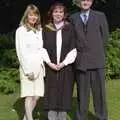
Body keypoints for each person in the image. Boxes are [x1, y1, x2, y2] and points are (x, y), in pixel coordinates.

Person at [70, 0, 109, 120]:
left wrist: (96, 52)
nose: (85, 2)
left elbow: (105, 37)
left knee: (100, 93)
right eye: (82, 0)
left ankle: (102, 117)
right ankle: (81, 117)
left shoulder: (100, 16)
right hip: (81, 62)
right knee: (82, 93)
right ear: (78, 2)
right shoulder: (73, 18)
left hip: (97, 61)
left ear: (91, 2)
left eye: (88, 0)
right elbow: (72, 39)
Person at [15, 4, 51, 120]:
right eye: (31, 14)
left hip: (39, 67)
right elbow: (20, 52)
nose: (33, 17)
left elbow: (41, 49)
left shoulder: (39, 30)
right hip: (28, 68)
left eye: (35, 14)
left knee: (37, 96)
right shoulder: (21, 31)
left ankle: (26, 118)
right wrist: (26, 70)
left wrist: (48, 62)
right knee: (29, 95)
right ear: (27, 15)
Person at [42, 2, 77, 120]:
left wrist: (63, 63)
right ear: (51, 13)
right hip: (50, 66)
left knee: (64, 90)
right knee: (51, 91)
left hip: (66, 67)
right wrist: (49, 63)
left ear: (64, 14)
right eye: (55, 11)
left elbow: (73, 49)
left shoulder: (70, 28)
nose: (58, 14)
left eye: (60, 12)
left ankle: (62, 117)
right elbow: (41, 48)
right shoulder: (46, 29)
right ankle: (51, 117)